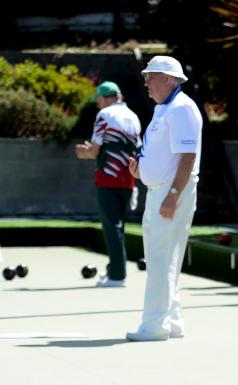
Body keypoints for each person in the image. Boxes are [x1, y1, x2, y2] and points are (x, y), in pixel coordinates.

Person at [123, 56, 203, 341]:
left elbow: (188, 156)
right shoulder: (165, 108)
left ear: (170, 79)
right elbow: (166, 155)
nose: (146, 83)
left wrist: (172, 195)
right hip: (161, 190)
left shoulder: (181, 109)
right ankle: (173, 321)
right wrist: (141, 169)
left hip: (171, 193)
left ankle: (154, 325)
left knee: (159, 258)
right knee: (165, 258)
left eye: (152, 77)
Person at [74, 81, 142, 288]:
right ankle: (114, 269)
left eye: (99, 100)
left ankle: (117, 276)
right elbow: (134, 148)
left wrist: (82, 152)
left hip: (108, 178)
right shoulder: (133, 116)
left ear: (105, 98)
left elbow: (94, 151)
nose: (98, 105)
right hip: (128, 179)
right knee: (119, 226)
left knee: (111, 227)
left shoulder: (104, 116)